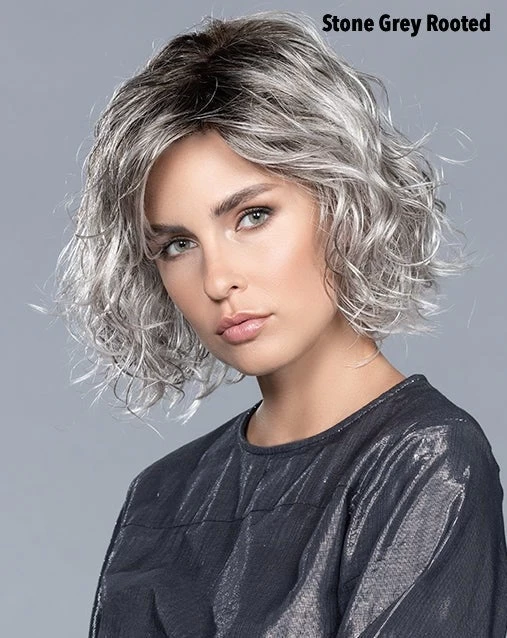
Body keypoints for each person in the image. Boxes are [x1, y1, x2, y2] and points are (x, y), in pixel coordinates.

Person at [45, 11, 507, 637]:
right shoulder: (159, 495)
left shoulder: (426, 460)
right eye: (178, 245)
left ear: (343, 200)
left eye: (253, 216)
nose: (217, 280)